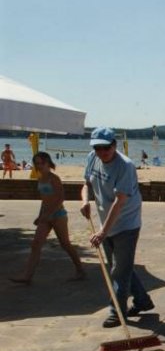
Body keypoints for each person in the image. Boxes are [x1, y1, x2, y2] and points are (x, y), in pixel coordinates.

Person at [80, 127, 154, 328]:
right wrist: (85, 201)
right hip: (107, 221)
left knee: (119, 271)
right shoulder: (92, 158)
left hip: (126, 223)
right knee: (123, 265)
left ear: (114, 145)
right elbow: (86, 183)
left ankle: (117, 313)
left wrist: (103, 232)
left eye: (106, 148)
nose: (101, 152)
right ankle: (143, 301)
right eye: (97, 148)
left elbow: (119, 202)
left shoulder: (125, 166)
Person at [9, 152, 85, 284]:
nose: (39, 166)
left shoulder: (54, 178)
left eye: (41, 163)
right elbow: (44, 200)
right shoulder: (40, 178)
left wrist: (50, 214)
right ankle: (27, 276)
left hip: (58, 215)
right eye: (37, 163)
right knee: (36, 244)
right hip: (45, 216)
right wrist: (40, 216)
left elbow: (61, 198)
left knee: (65, 244)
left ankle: (80, 270)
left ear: (48, 163)